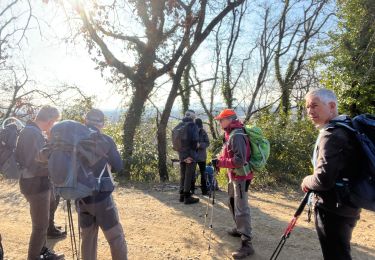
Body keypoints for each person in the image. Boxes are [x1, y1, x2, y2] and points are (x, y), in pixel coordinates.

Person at [301, 89, 362, 260]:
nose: (310, 111)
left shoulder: (331, 135)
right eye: (307, 107)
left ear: (332, 105)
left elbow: (323, 179)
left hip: (333, 208)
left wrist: (307, 180)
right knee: (340, 252)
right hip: (347, 204)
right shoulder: (347, 127)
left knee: (335, 255)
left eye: (314, 105)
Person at [77, 109, 128, 260]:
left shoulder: (75, 141)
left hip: (81, 196)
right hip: (101, 197)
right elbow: (118, 166)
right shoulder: (105, 140)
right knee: (115, 237)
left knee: (88, 238)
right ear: (102, 124)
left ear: (85, 121)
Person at [16, 105, 65, 260]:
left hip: (38, 183)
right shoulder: (31, 134)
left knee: (47, 213)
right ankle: (34, 257)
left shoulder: (33, 132)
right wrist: (55, 170)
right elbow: (34, 164)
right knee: (40, 226)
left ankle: (43, 251)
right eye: (55, 122)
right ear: (50, 121)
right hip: (35, 185)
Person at [212, 108, 254, 259]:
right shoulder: (230, 133)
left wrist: (220, 162)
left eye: (221, 120)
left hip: (241, 176)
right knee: (231, 202)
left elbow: (240, 160)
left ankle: (247, 244)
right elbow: (229, 154)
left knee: (241, 208)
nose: (219, 123)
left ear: (230, 119)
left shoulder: (237, 135)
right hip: (234, 175)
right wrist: (219, 160)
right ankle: (239, 228)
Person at [178, 109, 200, 204]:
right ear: (193, 117)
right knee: (188, 175)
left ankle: (181, 196)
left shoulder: (180, 125)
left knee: (183, 175)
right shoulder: (192, 126)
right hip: (190, 154)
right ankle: (187, 197)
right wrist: (192, 153)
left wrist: (183, 156)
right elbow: (194, 141)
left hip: (181, 154)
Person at [191, 118, 210, 195]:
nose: (198, 128)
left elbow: (208, 143)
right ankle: (191, 190)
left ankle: (204, 191)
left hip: (202, 157)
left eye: (199, 127)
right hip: (193, 157)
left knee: (203, 174)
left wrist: (200, 145)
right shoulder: (191, 132)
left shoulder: (203, 132)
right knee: (192, 174)